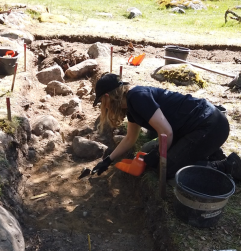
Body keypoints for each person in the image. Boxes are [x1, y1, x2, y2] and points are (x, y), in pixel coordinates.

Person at [91, 73, 241, 181]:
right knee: (156, 156)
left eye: (101, 102)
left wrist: (156, 155)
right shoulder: (130, 105)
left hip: (210, 125)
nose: (103, 107)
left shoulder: (137, 97)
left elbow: (166, 133)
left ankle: (227, 165)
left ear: (107, 97)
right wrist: (108, 160)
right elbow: (130, 138)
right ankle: (210, 154)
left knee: (166, 169)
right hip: (197, 128)